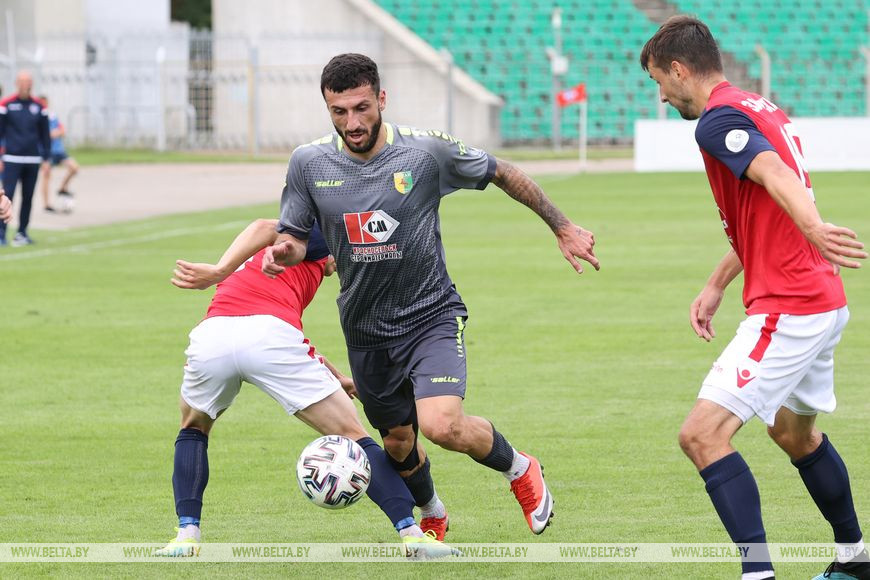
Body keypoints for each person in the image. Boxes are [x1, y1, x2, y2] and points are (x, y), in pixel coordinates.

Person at [262, 53, 600, 537]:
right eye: (339, 112)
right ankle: (433, 511)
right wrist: (284, 252)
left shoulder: (424, 153)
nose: (352, 123)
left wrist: (561, 226)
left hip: (430, 316)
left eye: (361, 108)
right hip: (364, 329)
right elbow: (294, 236)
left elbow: (502, 171)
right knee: (398, 443)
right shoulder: (308, 162)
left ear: (382, 98)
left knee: (442, 425)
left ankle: (520, 469)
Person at [640, 16, 869, 580]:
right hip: (822, 300)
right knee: (793, 433)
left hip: (790, 305)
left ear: (678, 69)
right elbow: (766, 209)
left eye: (658, 81)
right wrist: (718, 282)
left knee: (702, 435)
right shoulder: (760, 107)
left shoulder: (716, 120)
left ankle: (758, 574)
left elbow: (774, 176)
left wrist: (813, 228)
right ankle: (856, 559)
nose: (661, 96)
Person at [158, 218, 458, 558]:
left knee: (193, 428)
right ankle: (412, 535)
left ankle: (186, 536)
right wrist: (218, 270)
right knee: (354, 435)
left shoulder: (270, 258)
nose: (338, 266)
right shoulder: (321, 229)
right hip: (269, 336)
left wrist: (330, 373)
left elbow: (271, 317)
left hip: (213, 336)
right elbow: (264, 226)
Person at [0, 71, 50, 246]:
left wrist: (46, 159)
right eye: (22, 81)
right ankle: (1, 233)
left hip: (32, 159)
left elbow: (45, 135)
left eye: (28, 81)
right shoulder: (6, 104)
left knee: (28, 197)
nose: (25, 84)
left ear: (32, 84)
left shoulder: (39, 106)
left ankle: (22, 232)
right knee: (7, 196)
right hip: (12, 158)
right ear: (16, 83)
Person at [38, 95, 78, 213]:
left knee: (74, 168)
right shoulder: (37, 117)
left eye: (45, 102)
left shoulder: (53, 116)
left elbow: (62, 130)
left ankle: (62, 188)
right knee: (47, 175)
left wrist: (56, 133)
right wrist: (49, 134)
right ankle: (46, 204)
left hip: (59, 151)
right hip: (47, 151)